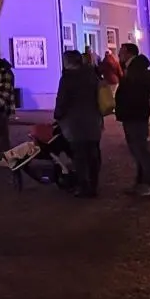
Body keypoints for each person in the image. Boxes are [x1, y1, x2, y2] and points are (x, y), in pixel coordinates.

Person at [53, 50, 102, 198]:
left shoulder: (68, 78)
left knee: (80, 154)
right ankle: (93, 185)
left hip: (75, 122)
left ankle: (83, 186)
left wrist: (58, 116)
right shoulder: (92, 75)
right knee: (93, 153)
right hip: (93, 119)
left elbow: (62, 100)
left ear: (68, 62)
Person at [115, 42, 150, 197]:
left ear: (128, 53)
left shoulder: (136, 70)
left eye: (121, 51)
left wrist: (125, 105)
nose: (119, 54)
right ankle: (141, 182)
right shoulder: (131, 69)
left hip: (135, 115)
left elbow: (135, 92)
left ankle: (149, 183)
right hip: (133, 114)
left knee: (140, 149)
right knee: (136, 150)